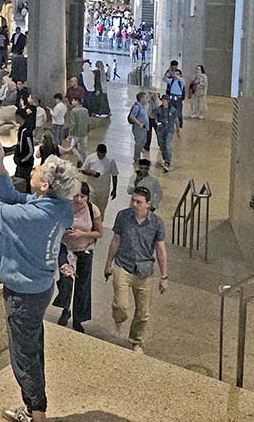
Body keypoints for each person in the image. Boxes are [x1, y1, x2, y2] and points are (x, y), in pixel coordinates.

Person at [0, 133, 78, 422]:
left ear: (44, 185)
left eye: (36, 168)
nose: (33, 168)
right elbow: (16, 199)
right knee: (33, 347)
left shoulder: (33, 217)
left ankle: (37, 414)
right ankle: (35, 408)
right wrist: (0, 169)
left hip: (23, 293)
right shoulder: (57, 207)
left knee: (24, 356)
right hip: (40, 286)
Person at [103, 187, 169, 354]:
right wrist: (108, 264)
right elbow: (115, 240)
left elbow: (161, 250)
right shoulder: (123, 217)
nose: (134, 204)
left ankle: (136, 341)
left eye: (139, 202)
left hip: (144, 270)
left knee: (143, 312)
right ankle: (118, 319)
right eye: (133, 200)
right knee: (121, 305)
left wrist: (164, 276)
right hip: (123, 265)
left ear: (148, 204)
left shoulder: (156, 223)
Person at [53, 182, 103, 331]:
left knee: (82, 286)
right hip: (66, 248)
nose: (79, 199)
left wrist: (82, 234)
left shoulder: (93, 210)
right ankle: (65, 308)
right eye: (76, 195)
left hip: (84, 249)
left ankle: (78, 319)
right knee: (66, 281)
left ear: (87, 197)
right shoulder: (65, 207)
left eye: (83, 196)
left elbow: (99, 233)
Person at [79, 143, 118, 219]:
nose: (101, 157)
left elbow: (114, 175)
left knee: (101, 210)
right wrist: (91, 173)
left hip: (104, 190)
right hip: (92, 189)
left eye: (103, 155)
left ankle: (98, 225)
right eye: (99, 155)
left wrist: (114, 189)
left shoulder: (110, 161)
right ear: (97, 151)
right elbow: (83, 170)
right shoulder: (90, 158)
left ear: (106, 153)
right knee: (89, 208)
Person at [152, 94, 175, 172]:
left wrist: (178, 129)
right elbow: (155, 116)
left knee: (167, 145)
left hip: (169, 130)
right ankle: (165, 158)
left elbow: (176, 119)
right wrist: (157, 122)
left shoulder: (172, 110)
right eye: (162, 100)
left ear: (168, 101)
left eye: (165, 100)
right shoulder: (159, 109)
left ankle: (167, 162)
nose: (163, 102)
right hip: (161, 130)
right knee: (162, 145)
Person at [127, 92, 149, 166]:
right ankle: (136, 158)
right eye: (145, 98)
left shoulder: (143, 106)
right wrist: (139, 123)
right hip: (139, 129)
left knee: (143, 142)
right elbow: (132, 116)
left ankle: (138, 155)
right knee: (139, 143)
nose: (147, 100)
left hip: (144, 128)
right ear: (141, 99)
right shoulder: (137, 107)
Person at [162, 65, 185, 133]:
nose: (176, 75)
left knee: (179, 113)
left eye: (178, 74)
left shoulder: (181, 81)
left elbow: (183, 81)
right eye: (175, 73)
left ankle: (180, 126)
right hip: (171, 98)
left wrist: (177, 76)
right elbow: (164, 79)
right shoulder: (171, 81)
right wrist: (166, 75)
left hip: (178, 99)